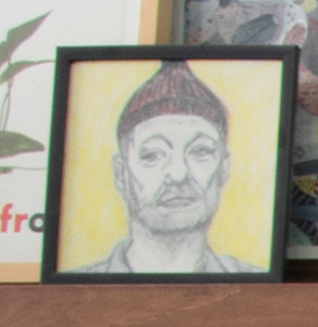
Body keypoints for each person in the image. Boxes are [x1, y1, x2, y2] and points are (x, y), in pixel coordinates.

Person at [89, 58, 251, 275]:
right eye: (153, 155)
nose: (178, 174)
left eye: (200, 151)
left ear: (224, 167)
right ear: (121, 173)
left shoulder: (252, 282)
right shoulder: (77, 288)